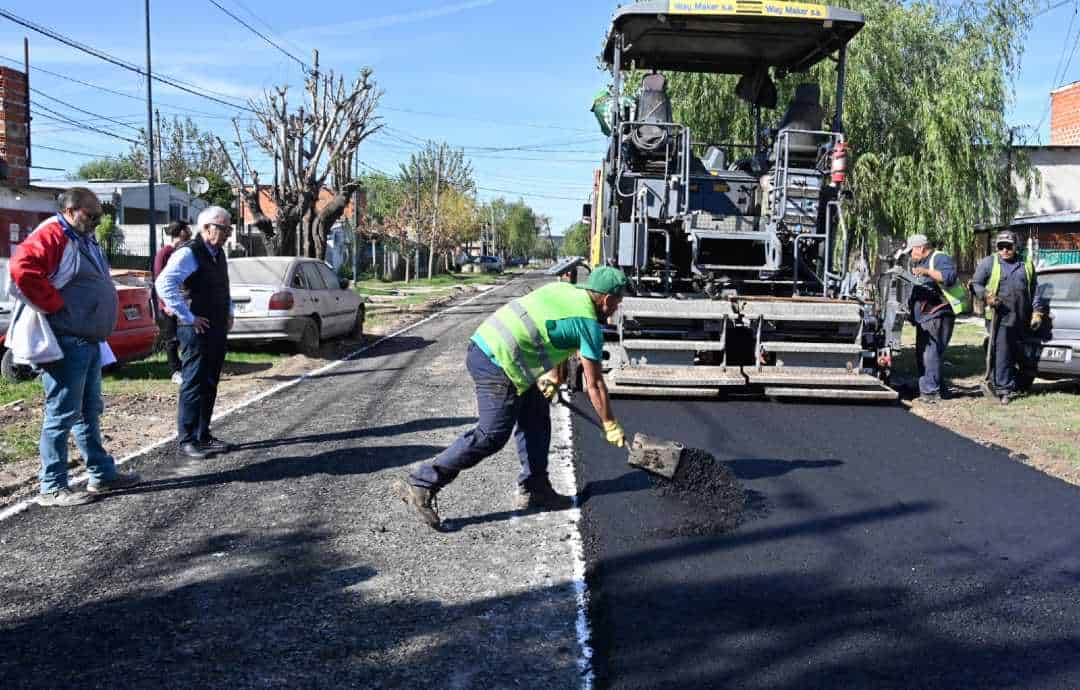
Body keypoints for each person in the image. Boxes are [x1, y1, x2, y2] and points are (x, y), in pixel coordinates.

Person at [398, 266, 631, 530]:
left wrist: (555, 378)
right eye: (618, 301)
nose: (617, 308)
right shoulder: (589, 323)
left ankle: (536, 488)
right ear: (607, 298)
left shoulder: (565, 290)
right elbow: (595, 384)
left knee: (535, 415)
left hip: (491, 345)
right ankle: (422, 483)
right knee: (491, 435)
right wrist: (609, 423)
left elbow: (555, 335)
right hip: (497, 361)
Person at [9, 187, 141, 506]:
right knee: (62, 414)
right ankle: (52, 486)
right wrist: (56, 307)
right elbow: (21, 270)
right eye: (91, 213)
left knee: (88, 412)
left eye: (99, 214)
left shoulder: (84, 236)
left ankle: (102, 474)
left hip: (88, 341)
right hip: (67, 340)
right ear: (70, 210)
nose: (97, 219)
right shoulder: (54, 234)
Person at [155, 206, 236, 459]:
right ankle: (187, 438)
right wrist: (187, 316)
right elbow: (163, 283)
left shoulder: (218, 253)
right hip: (196, 328)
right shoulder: (189, 252)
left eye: (229, 229)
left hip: (216, 326)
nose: (227, 234)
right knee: (193, 382)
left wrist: (230, 311)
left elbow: (224, 285)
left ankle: (203, 433)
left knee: (210, 381)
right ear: (206, 228)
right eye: (224, 228)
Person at [971, 230, 1046, 404]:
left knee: (1019, 353)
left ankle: (1011, 383)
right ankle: (1003, 389)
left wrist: (1037, 312)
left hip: (1021, 316)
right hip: (999, 316)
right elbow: (975, 284)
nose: (1004, 250)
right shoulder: (989, 263)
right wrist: (987, 296)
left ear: (1016, 247)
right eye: (1001, 247)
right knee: (1002, 353)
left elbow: (1034, 289)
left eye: (1008, 247)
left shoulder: (1026, 264)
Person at [901, 234, 967, 403]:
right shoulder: (922, 263)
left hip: (937, 313)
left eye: (911, 252)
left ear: (920, 248)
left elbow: (949, 278)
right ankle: (937, 388)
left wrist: (926, 272)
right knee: (929, 353)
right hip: (926, 315)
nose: (910, 255)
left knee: (929, 353)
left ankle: (931, 391)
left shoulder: (939, 258)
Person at [153, 221, 192, 385]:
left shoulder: (182, 252)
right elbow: (159, 280)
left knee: (186, 337)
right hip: (168, 305)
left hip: (182, 302)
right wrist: (165, 304)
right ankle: (175, 371)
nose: (190, 232)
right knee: (171, 339)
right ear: (180, 231)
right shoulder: (165, 252)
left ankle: (187, 368)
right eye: (187, 229)